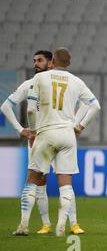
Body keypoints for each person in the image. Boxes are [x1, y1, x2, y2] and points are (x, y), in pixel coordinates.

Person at [2, 50, 88, 235]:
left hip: (46, 135)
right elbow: (6, 106)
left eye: (40, 60)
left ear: (51, 63)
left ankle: (73, 223)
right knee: (42, 181)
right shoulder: (30, 83)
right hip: (41, 136)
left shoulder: (55, 82)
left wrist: (74, 123)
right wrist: (21, 130)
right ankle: (46, 224)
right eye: (34, 61)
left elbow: (83, 105)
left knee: (58, 180)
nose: (35, 64)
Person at [19, 48, 101, 237]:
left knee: (33, 180)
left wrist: (32, 131)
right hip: (67, 136)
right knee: (66, 185)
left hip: (46, 134)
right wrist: (80, 127)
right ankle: (62, 227)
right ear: (69, 64)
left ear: (52, 61)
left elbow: (31, 110)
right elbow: (95, 106)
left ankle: (23, 225)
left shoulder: (41, 78)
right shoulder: (77, 81)